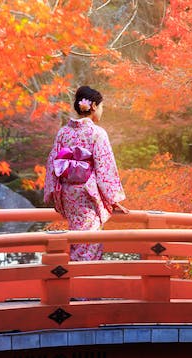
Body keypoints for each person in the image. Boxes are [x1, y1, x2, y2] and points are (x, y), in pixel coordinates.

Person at [43, 86, 129, 261]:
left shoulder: (63, 132)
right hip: (87, 194)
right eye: (102, 107)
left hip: (68, 192)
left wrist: (53, 192)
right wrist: (113, 199)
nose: (102, 111)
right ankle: (83, 281)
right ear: (94, 106)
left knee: (77, 238)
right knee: (90, 241)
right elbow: (105, 167)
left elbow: (53, 163)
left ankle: (78, 278)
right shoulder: (97, 133)